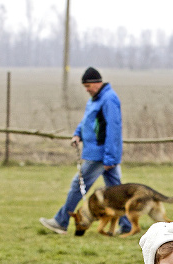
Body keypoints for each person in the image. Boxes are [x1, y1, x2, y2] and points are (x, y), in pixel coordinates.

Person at [39, 67, 131, 235]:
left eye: (88, 86)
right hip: (94, 151)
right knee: (116, 190)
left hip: (100, 154)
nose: (87, 90)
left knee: (77, 185)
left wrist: (110, 158)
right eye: (85, 87)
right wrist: (77, 134)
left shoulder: (109, 99)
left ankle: (61, 221)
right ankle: (127, 225)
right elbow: (87, 121)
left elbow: (114, 129)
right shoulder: (94, 99)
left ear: (98, 83)